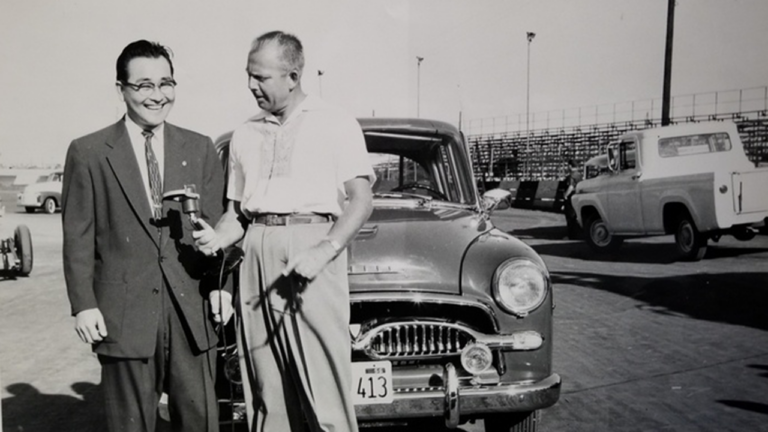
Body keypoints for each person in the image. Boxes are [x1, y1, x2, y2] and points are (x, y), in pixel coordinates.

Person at [193, 31, 374, 432]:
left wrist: (325, 249)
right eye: (248, 76)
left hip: (311, 250)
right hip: (256, 249)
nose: (251, 86)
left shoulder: (336, 122)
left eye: (261, 77)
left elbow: (361, 201)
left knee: (323, 387)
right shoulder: (244, 132)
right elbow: (235, 213)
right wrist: (219, 236)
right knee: (265, 388)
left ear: (293, 76)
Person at [62, 40, 231, 432]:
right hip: (124, 317)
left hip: (193, 314)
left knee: (202, 421)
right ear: (120, 88)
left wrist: (223, 287)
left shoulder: (200, 147)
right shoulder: (88, 152)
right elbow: (78, 237)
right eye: (143, 86)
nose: (157, 96)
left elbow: (219, 227)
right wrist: (83, 304)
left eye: (166, 83)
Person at [563, 159, 583, 239]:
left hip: (571, 197)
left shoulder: (571, 176)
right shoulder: (579, 175)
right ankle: (578, 234)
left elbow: (571, 186)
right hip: (578, 197)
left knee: (570, 217)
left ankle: (571, 235)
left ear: (570, 166)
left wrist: (565, 195)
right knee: (576, 216)